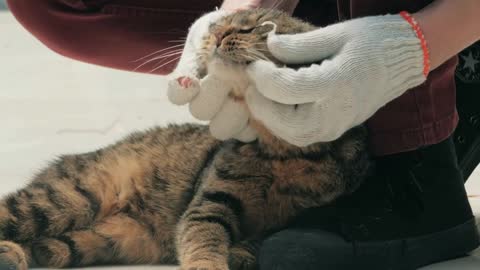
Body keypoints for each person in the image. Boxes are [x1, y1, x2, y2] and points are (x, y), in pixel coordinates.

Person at [6, 0, 480, 269]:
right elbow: (203, 218)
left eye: (245, 31)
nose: (223, 38)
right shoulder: (243, 152)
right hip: (146, 197)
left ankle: (418, 139)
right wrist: (239, 6)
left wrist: (420, 43)